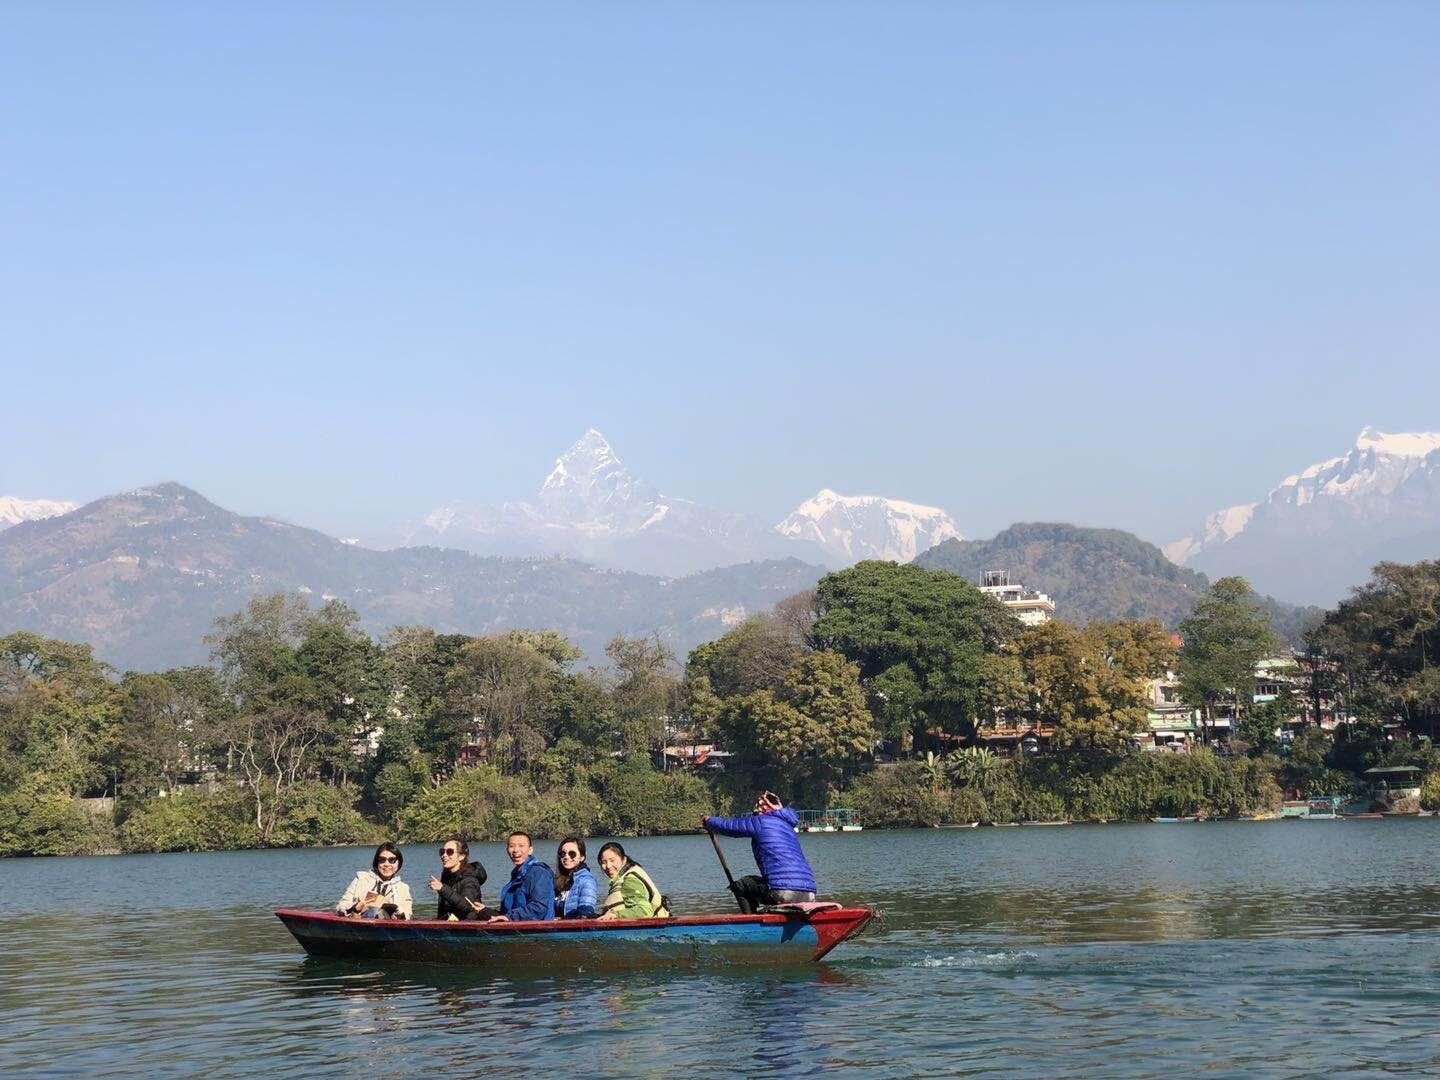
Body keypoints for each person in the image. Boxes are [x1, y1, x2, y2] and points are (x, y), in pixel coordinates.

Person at [703, 791, 818, 913]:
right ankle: (768, 916)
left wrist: (709, 821)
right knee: (758, 886)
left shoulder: (761, 822)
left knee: (740, 886)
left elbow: (730, 826)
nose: (757, 809)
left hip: (783, 891)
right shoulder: (787, 825)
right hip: (809, 893)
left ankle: (750, 923)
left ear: (769, 808)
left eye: (761, 805)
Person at [488, 831, 555, 922]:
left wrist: (510, 917)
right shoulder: (517, 875)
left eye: (521, 846)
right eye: (511, 846)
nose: (516, 850)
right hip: (516, 929)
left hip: (539, 931)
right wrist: (484, 910)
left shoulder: (538, 873)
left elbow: (539, 908)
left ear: (530, 850)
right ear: (507, 849)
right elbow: (509, 911)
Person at [335, 843, 413, 919]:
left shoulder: (403, 888)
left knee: (381, 911)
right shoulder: (361, 878)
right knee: (373, 910)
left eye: (392, 860)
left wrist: (394, 909)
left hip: (389, 925)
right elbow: (341, 906)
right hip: (361, 922)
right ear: (376, 862)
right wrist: (355, 907)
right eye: (382, 860)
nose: (386, 864)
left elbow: (408, 914)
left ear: (398, 864)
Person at [596, 841, 670, 920]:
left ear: (624, 859)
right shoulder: (623, 877)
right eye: (604, 862)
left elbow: (644, 911)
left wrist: (615, 914)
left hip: (654, 929)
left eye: (612, 860)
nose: (608, 866)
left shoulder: (630, 880)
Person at [428, 836, 490, 921]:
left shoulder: (470, 879)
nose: (444, 855)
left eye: (449, 852)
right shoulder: (447, 876)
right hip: (450, 925)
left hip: (469, 928)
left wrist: (442, 888)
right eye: (442, 852)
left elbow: (467, 905)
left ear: (461, 856)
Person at [553, 836, 599, 919]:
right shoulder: (557, 879)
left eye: (572, 854)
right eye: (562, 853)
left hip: (574, 929)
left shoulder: (587, 880)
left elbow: (586, 910)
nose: (566, 857)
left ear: (582, 857)